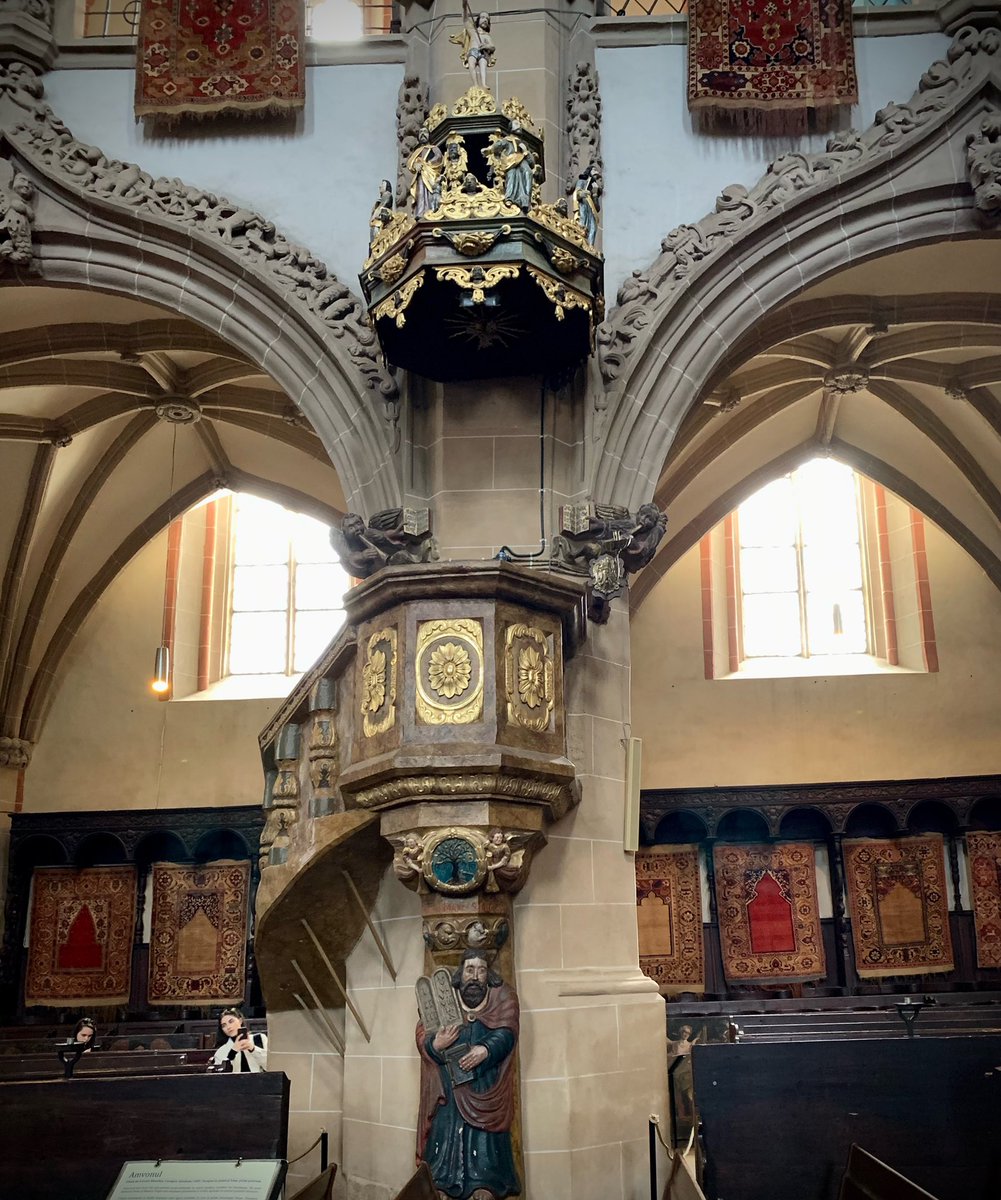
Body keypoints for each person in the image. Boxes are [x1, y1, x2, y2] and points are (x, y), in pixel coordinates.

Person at [417, 950, 520, 1199]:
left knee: (485, 1140)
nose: (475, 976)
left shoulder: (503, 997)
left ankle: (486, 1182)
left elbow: (508, 1031)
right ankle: (442, 1181)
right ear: (460, 973)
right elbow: (423, 1033)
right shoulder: (443, 998)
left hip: (485, 1086)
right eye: (470, 970)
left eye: (481, 970)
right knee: (445, 1133)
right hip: (449, 1088)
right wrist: (436, 1044)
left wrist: (485, 1050)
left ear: (489, 974)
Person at [212, 1008, 268, 1073]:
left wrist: (253, 1049)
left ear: (240, 1021)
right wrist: (233, 1051)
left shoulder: (259, 1039)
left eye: (231, 1021)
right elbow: (222, 1075)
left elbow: (270, 1066)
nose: (228, 1027)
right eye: (224, 1025)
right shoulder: (222, 1051)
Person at [406, 127, 443, 220]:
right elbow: (410, 163)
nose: (422, 134)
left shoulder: (434, 148)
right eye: (420, 132)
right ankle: (421, 211)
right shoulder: (417, 151)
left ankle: (431, 210)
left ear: (429, 135)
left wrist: (426, 164)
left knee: (430, 191)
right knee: (421, 193)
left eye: (425, 132)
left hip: (430, 174)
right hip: (420, 176)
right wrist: (415, 165)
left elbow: (438, 157)